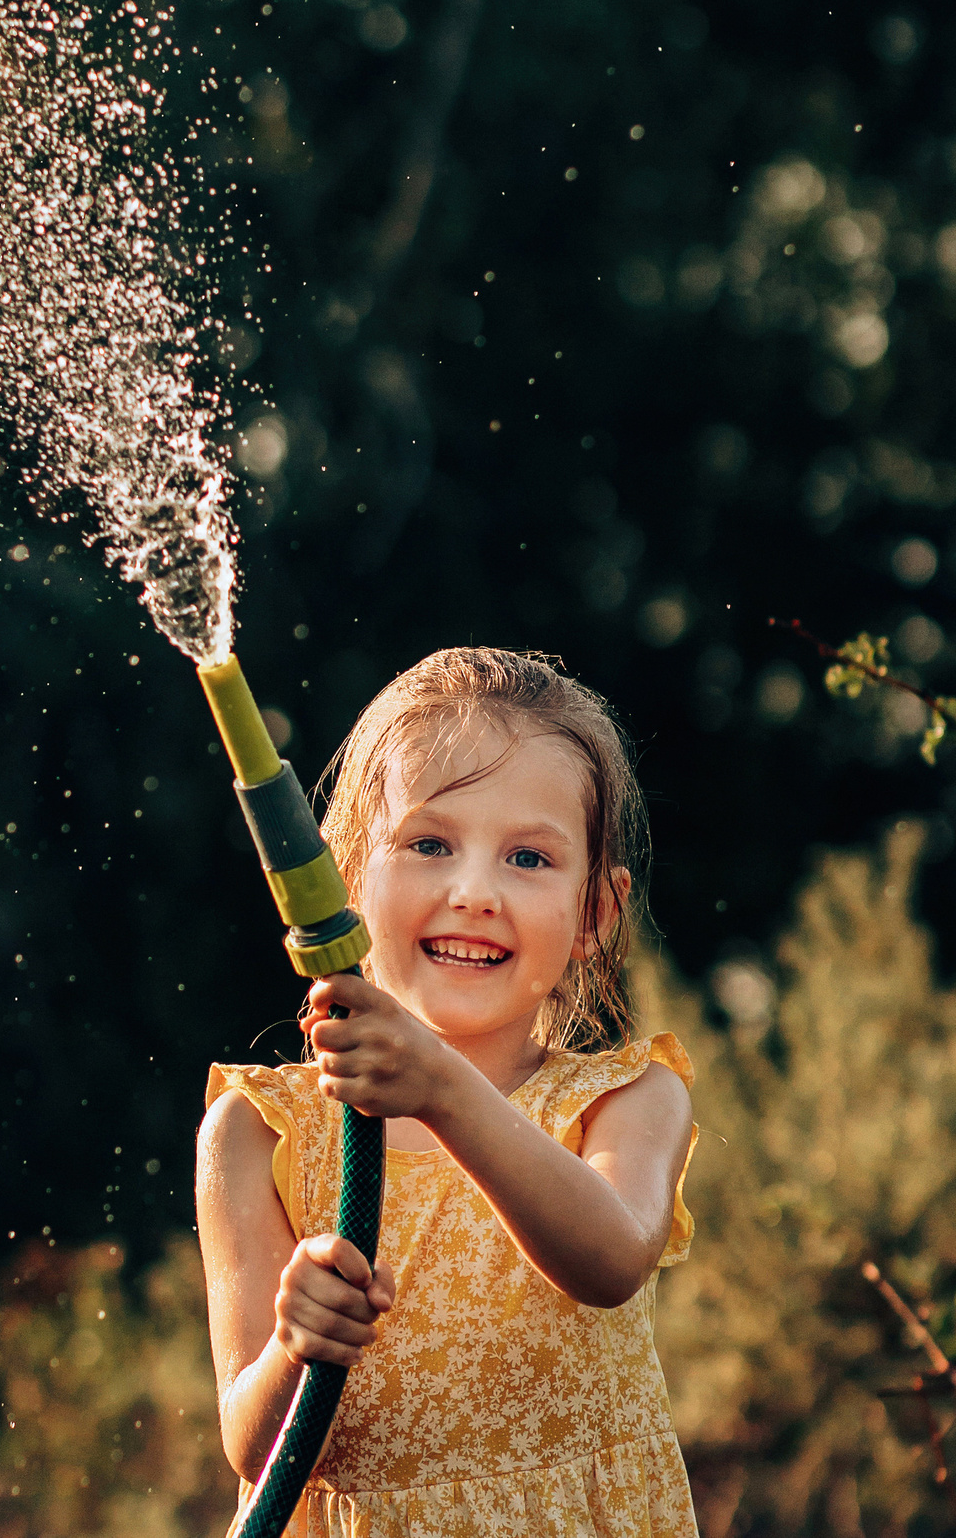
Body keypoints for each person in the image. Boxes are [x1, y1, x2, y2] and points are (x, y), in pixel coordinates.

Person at [197, 647, 699, 1536]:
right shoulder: (259, 1129)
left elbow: (612, 1258)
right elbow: (255, 1450)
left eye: (528, 858)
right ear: (349, 875)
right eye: (429, 845)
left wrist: (442, 1088)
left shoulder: (625, 1099)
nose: (473, 892)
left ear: (596, 913)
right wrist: (296, 1342)